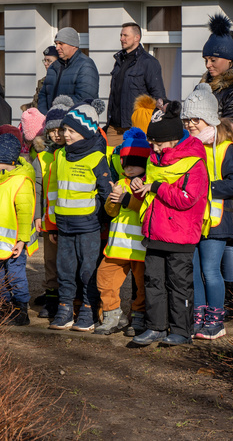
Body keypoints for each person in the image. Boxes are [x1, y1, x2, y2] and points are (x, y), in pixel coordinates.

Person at [131, 101, 209, 347]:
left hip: (180, 236)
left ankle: (181, 330)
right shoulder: (156, 158)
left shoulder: (194, 162)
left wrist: (155, 186)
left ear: (174, 138)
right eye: (152, 142)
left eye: (158, 143)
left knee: (179, 285)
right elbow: (150, 186)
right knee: (153, 282)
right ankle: (155, 327)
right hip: (155, 232)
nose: (153, 147)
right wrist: (139, 187)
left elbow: (187, 199)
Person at [181, 84, 233, 341]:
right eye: (187, 119)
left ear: (208, 118)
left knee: (210, 269)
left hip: (218, 220)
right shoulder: (190, 146)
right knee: (195, 269)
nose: (190, 124)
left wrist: (205, 188)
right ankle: (199, 316)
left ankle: (216, 320)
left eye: (195, 119)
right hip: (196, 219)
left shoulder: (226, 148)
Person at [46, 104, 110, 332]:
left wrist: (101, 219)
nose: (65, 135)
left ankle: (88, 309)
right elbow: (53, 189)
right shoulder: (60, 155)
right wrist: (52, 223)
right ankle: (64, 308)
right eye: (64, 130)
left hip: (88, 226)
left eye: (71, 131)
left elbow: (106, 193)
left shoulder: (96, 157)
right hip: (64, 225)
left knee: (87, 270)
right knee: (65, 268)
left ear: (86, 132)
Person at [95, 127, 150, 336]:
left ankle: (139, 316)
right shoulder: (119, 183)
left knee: (142, 286)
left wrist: (129, 197)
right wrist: (113, 198)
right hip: (118, 247)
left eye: (135, 164)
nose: (130, 169)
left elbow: (144, 208)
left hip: (140, 249)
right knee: (105, 276)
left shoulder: (147, 184)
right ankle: (112, 314)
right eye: (126, 165)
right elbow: (111, 212)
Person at [0, 134, 36, 326]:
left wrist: (22, 241)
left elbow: (25, 214)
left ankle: (21, 309)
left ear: (4, 160)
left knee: (15, 276)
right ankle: (2, 307)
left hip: (13, 243)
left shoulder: (21, 181)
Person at [34, 96, 72, 319]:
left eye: (60, 130)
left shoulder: (73, 154)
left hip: (70, 217)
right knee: (50, 260)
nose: (56, 135)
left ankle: (67, 298)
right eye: (51, 131)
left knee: (67, 261)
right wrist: (38, 216)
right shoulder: (42, 157)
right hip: (49, 219)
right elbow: (38, 190)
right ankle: (51, 296)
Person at [105, 23, 166, 147]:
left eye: (125, 35)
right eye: (121, 35)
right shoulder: (118, 61)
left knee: (133, 164)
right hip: (114, 127)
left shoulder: (149, 63)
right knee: (110, 162)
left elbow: (158, 96)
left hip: (135, 128)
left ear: (137, 37)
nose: (122, 38)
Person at [37, 28, 99, 113]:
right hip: (49, 121)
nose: (57, 47)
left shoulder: (85, 65)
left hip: (73, 123)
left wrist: (58, 113)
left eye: (61, 44)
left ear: (73, 45)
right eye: (56, 44)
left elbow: (84, 98)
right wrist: (44, 114)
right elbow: (43, 95)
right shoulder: (53, 67)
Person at [22, 46, 60, 112]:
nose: (45, 64)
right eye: (45, 61)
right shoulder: (42, 82)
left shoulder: (63, 80)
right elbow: (35, 103)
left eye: (49, 61)